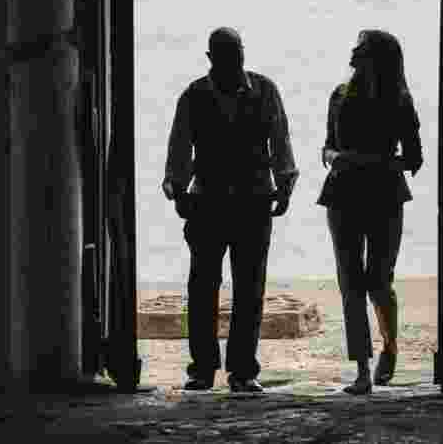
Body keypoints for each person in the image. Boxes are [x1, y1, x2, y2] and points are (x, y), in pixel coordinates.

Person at [162, 27, 299, 393]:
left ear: (242, 53)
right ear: (211, 58)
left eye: (236, 54)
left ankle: (240, 370)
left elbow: (280, 141)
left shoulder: (265, 90)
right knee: (205, 286)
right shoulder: (194, 96)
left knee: (248, 288)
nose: (233, 62)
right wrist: (176, 189)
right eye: (225, 55)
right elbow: (180, 148)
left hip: (252, 201)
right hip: (209, 202)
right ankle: (205, 369)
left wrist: (285, 184)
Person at [317, 29, 423, 395]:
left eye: (361, 47)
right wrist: (339, 157)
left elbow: (414, 158)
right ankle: (362, 369)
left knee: (379, 281)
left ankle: (390, 347)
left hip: (384, 195)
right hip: (342, 194)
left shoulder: (400, 100)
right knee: (351, 284)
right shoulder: (339, 95)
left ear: (378, 57)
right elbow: (327, 149)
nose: (352, 51)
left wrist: (368, 160)